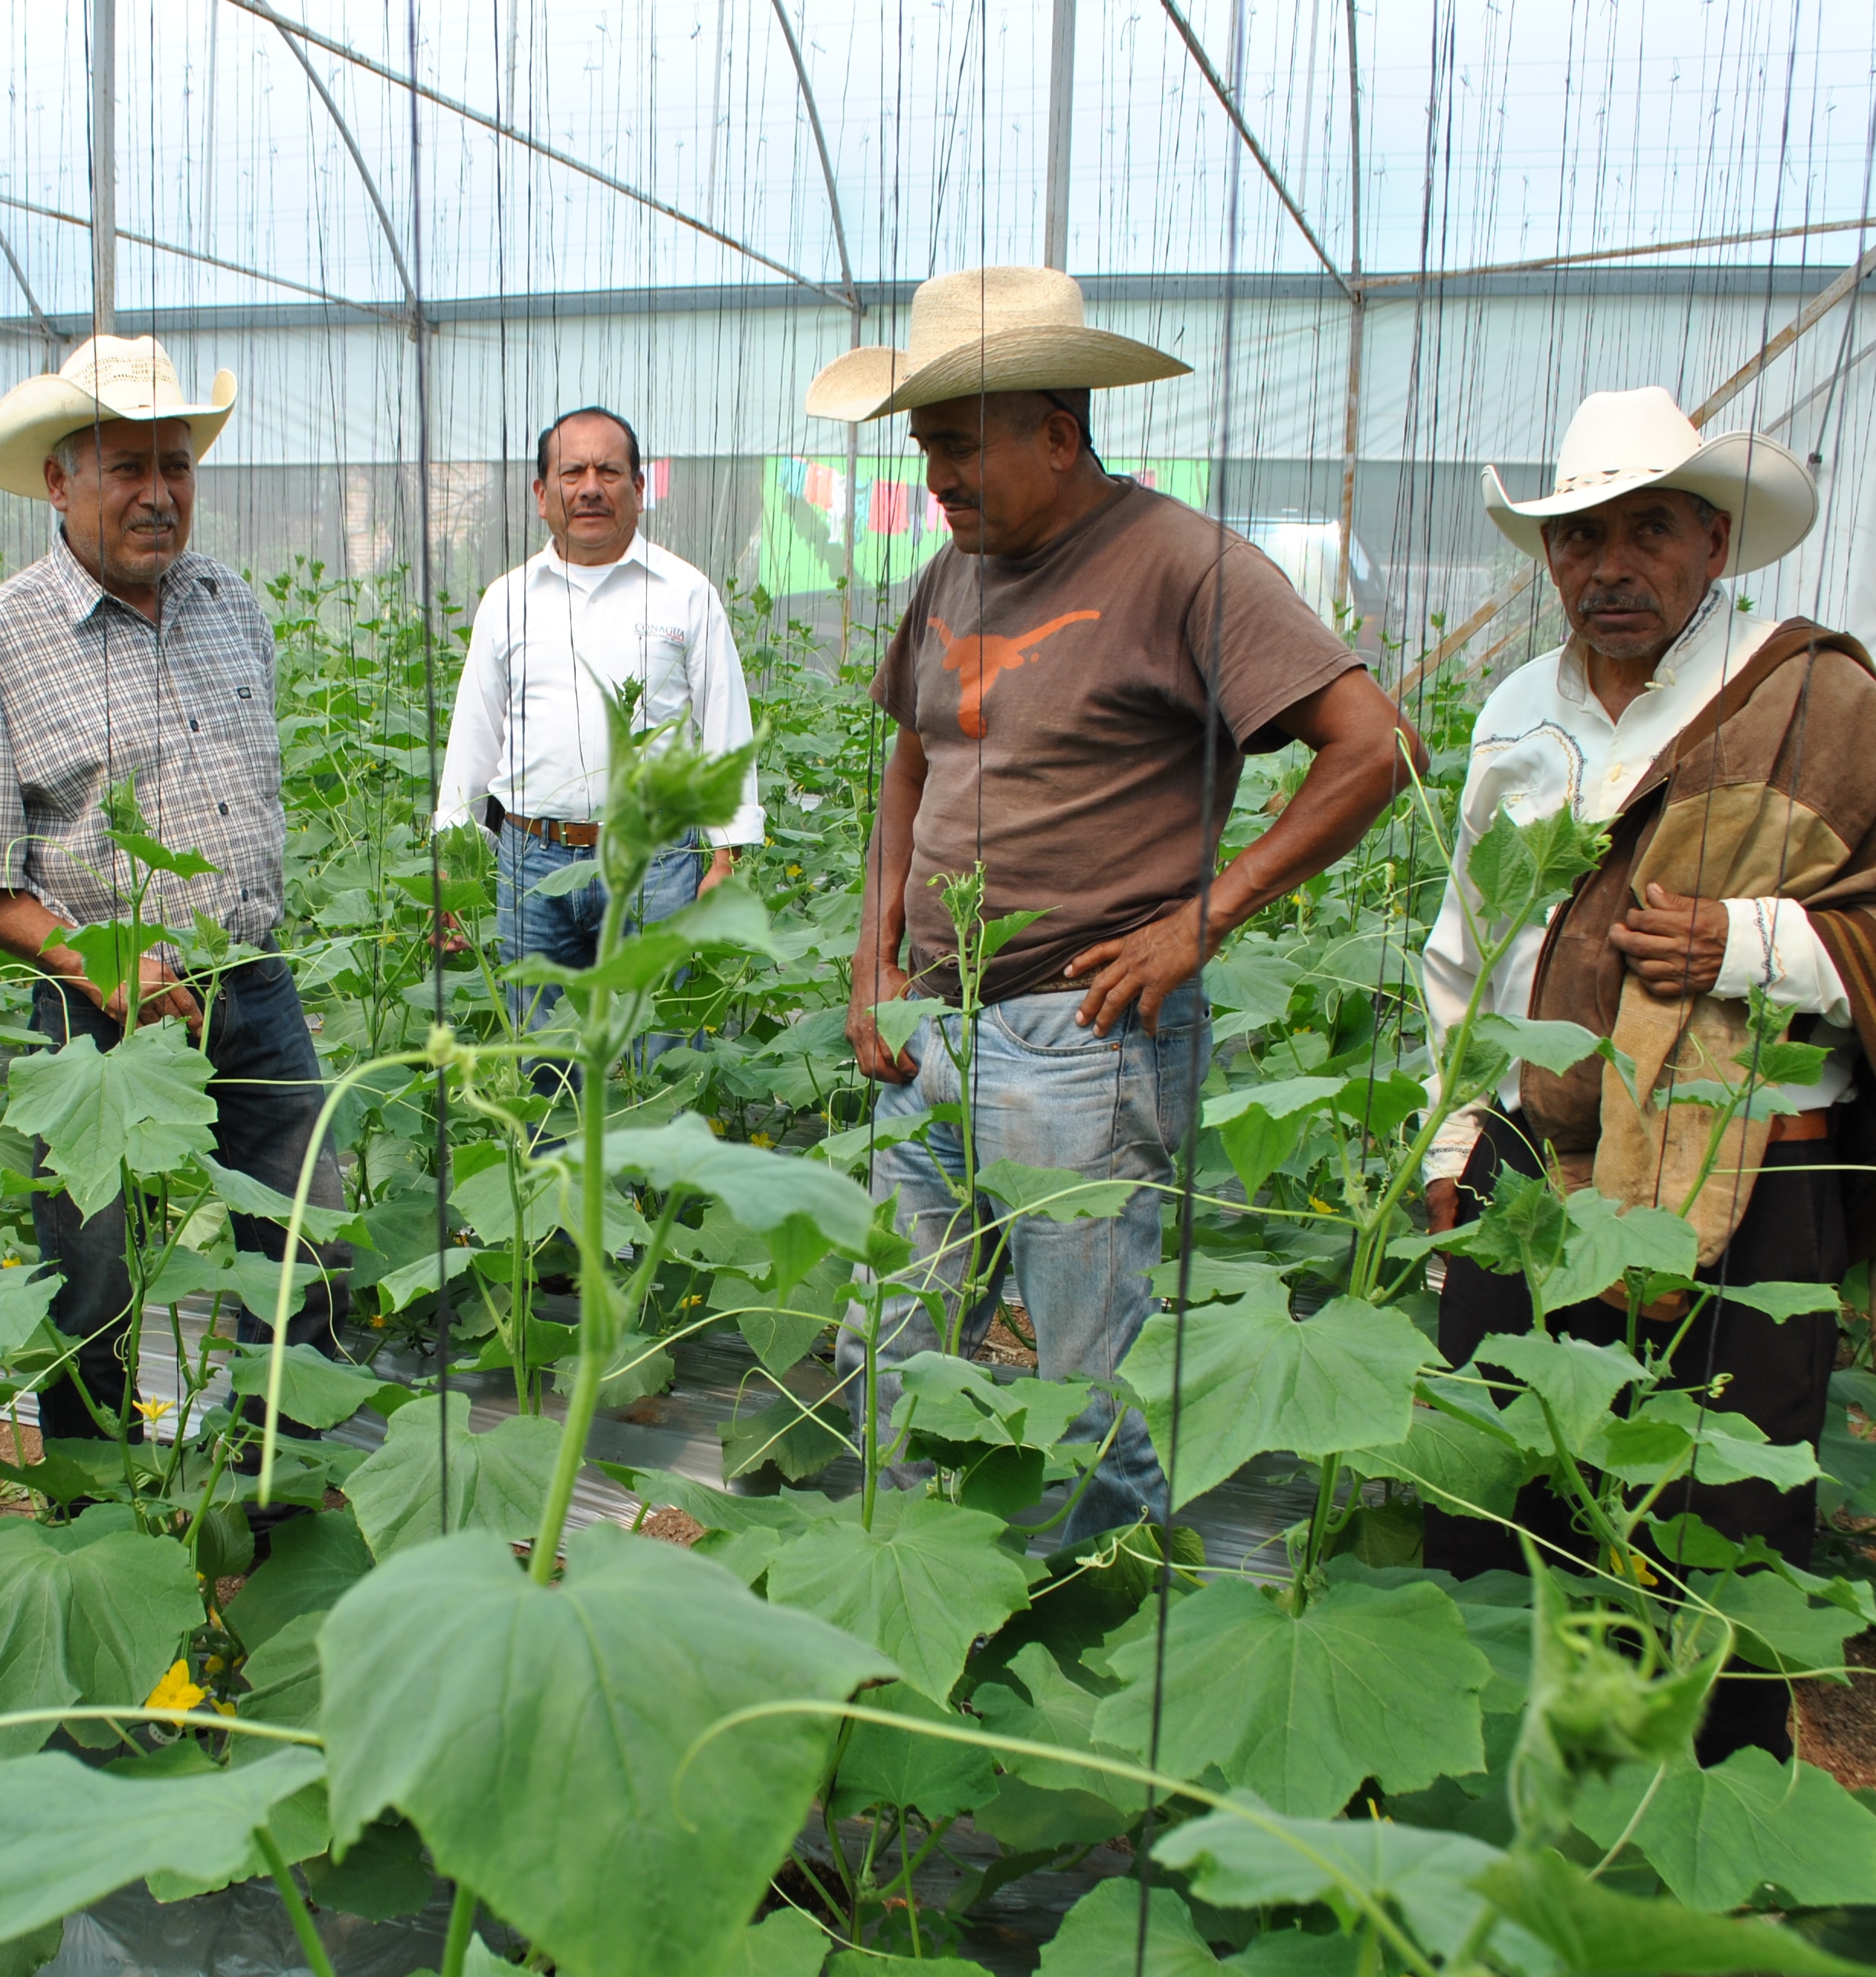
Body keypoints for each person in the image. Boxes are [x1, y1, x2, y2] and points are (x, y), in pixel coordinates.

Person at [1418, 385, 1876, 1760]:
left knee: (1721, 1531)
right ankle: (1510, 1819)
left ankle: (1697, 1826)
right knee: (1500, 1499)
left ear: (1712, 540)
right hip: (1532, 1172)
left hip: (1751, 1184)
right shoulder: (1517, 712)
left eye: (1647, 531)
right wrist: (1456, 1142)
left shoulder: (1824, 706)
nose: (1607, 566)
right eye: (1578, 538)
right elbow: (1466, 953)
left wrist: (1752, 942)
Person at [813, 266, 1422, 1540]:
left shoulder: (1179, 563)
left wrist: (1202, 921)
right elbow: (912, 761)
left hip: (1080, 1042)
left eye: (961, 445)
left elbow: (1373, 744)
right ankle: (903, 1586)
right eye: (925, 448)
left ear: (1058, 429)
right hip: (932, 1024)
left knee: (1089, 1377)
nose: (937, 478)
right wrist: (874, 957)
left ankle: (1102, 1600)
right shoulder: (947, 577)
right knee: (891, 1336)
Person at [0, 335, 347, 1445]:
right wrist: (100, 960)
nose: (157, 496)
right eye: (126, 470)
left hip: (254, 987)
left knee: (310, 1246)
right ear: (60, 480)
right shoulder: (1, 637)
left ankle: (274, 1482)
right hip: (96, 1016)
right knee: (93, 1274)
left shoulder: (232, 604)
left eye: (176, 468)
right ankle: (96, 1494)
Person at [433, 407, 762, 1077]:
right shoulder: (507, 600)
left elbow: (727, 726)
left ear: (639, 488)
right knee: (540, 1064)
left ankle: (651, 1183)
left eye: (609, 471)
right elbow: (474, 734)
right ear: (540, 495)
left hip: (656, 861)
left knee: (661, 1056)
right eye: (571, 471)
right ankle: (560, 1181)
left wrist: (726, 857)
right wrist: (451, 859)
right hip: (531, 860)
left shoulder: (685, 594)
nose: (590, 487)